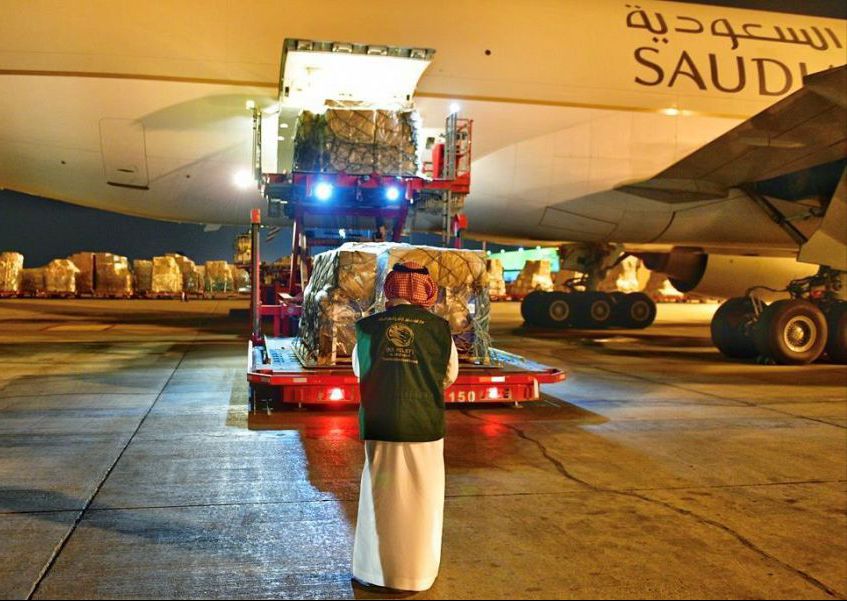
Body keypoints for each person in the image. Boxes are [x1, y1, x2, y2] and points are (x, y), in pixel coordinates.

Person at [351, 261, 459, 592]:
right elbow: (448, 376)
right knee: (422, 501)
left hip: (381, 424)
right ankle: (416, 576)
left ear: (390, 290)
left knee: (379, 498)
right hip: (423, 426)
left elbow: (360, 370)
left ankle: (373, 573)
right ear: (427, 293)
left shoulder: (368, 327)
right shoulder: (439, 330)